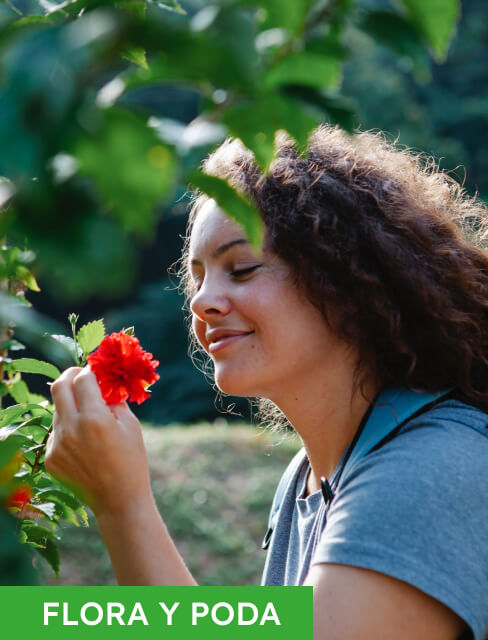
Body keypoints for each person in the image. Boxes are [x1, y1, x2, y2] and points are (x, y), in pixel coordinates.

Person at [46, 126, 488, 639]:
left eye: (242, 267)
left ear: (346, 282)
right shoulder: (305, 482)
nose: (201, 300)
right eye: (199, 275)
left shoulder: (431, 469)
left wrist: (123, 506)